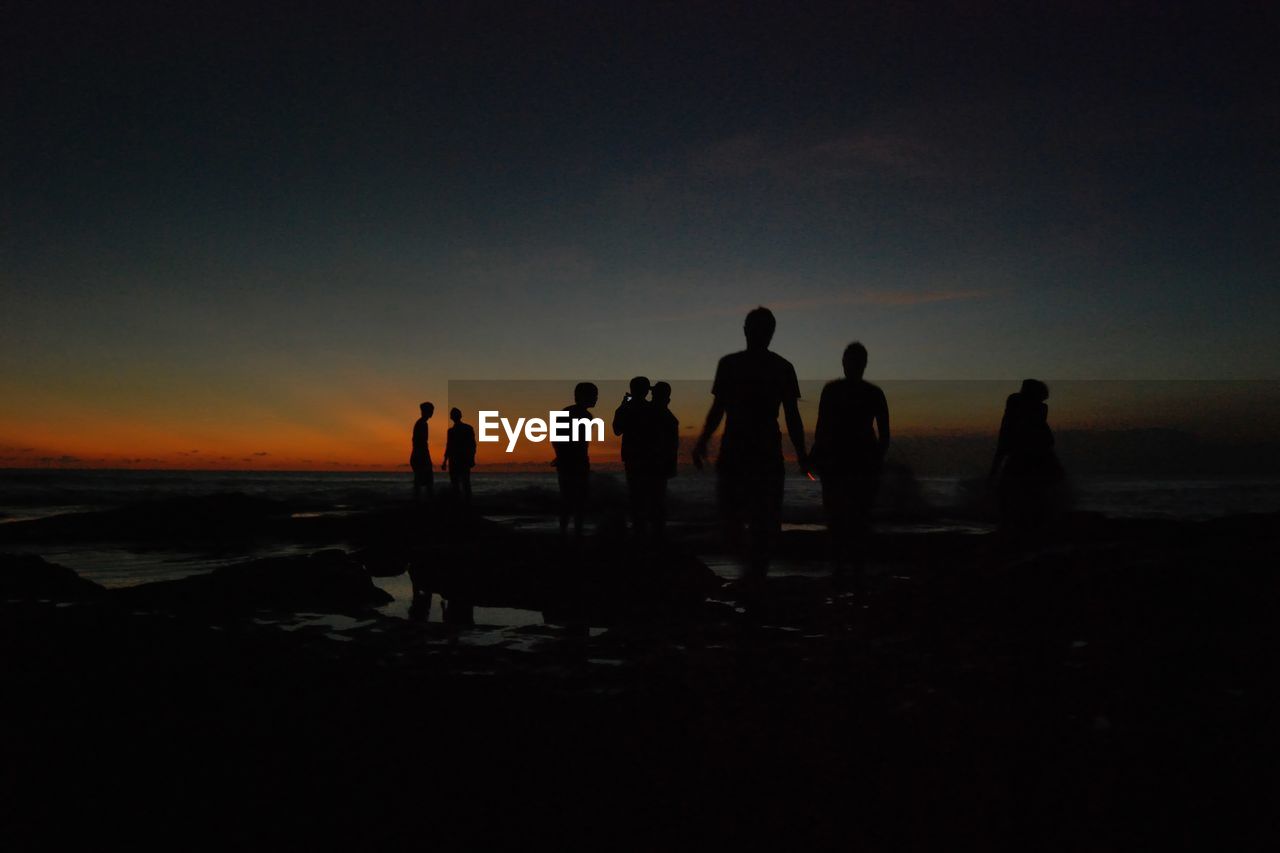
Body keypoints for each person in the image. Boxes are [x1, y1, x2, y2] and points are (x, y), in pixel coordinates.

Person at [693, 306, 808, 583]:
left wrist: (803, 453)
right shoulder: (735, 364)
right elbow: (718, 408)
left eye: (763, 329)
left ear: (770, 333)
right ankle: (753, 573)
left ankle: (755, 576)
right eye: (755, 329)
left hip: (758, 451)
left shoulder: (777, 367)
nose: (759, 334)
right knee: (741, 519)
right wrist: (703, 441)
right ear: (746, 331)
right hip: (744, 450)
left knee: (760, 521)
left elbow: (792, 415)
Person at [810, 342, 889, 591]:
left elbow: (822, 428)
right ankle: (850, 571)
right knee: (852, 518)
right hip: (847, 462)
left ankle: (845, 571)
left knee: (844, 518)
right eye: (850, 360)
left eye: (853, 361)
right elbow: (884, 435)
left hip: (848, 463)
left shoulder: (836, 391)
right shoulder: (871, 393)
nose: (851, 365)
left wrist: (815, 457)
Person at [990, 378, 1064, 532]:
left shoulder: (1027, 405)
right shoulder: (1023, 404)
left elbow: (1007, 433)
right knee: (1024, 491)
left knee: (1021, 491)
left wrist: (996, 464)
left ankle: (1024, 524)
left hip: (1031, 453)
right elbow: (1008, 433)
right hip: (1030, 452)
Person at [553, 382, 598, 540]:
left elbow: (557, 438)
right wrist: (563, 456)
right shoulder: (579, 415)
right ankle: (570, 532)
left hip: (573, 461)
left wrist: (560, 455)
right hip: (573, 461)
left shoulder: (575, 414)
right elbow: (560, 438)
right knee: (575, 499)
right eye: (594, 395)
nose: (596, 398)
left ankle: (566, 531)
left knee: (571, 498)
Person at [613, 376, 656, 540]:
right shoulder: (652, 408)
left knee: (635, 493)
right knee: (648, 493)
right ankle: (644, 529)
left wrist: (623, 406)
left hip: (632, 456)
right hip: (649, 456)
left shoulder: (625, 408)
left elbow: (617, 430)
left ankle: (639, 528)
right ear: (645, 391)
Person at [647, 381, 680, 541]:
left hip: (653, 464)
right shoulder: (668, 416)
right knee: (657, 500)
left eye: (654, 394)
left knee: (653, 500)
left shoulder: (657, 413)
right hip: (660, 464)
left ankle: (655, 535)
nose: (651, 396)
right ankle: (657, 534)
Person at [442, 407, 477, 506]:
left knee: (461, 483)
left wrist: (471, 458)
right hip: (458, 460)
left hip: (460, 460)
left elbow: (472, 445)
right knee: (461, 484)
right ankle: (463, 505)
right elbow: (449, 446)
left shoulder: (464, 429)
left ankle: (464, 505)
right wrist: (445, 461)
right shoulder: (455, 430)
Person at [410, 402, 435, 503]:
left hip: (419, 454)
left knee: (421, 479)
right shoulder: (422, 424)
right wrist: (425, 457)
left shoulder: (422, 423)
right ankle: (423, 502)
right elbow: (421, 442)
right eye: (431, 410)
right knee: (426, 479)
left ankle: (420, 501)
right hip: (420, 455)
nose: (432, 412)